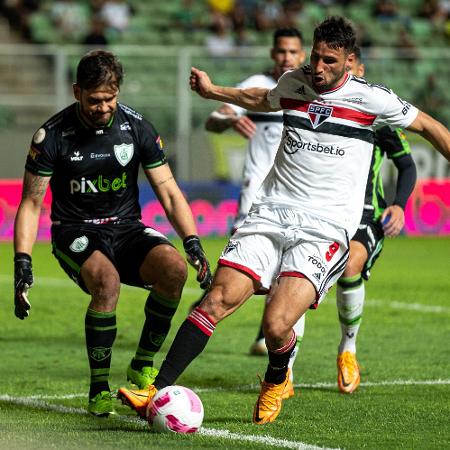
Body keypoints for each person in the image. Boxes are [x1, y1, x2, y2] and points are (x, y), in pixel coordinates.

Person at [118, 16, 450, 425]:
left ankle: (277, 379)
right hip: (270, 213)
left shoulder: (372, 100)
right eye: (315, 56)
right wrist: (212, 91)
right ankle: (152, 391)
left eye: (330, 60)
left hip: (324, 229)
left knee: (277, 326)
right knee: (216, 299)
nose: (319, 67)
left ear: (349, 61)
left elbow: (431, 126)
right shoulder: (296, 82)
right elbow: (261, 98)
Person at [13, 49, 212, 417]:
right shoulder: (52, 135)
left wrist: (192, 241)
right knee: (107, 282)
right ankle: (98, 388)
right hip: (75, 232)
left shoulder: (137, 127)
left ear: (118, 91)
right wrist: (22, 261)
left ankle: (142, 364)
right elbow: (30, 203)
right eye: (94, 100)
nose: (103, 107)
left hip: (126, 228)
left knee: (173, 269)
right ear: (76, 92)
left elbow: (169, 191)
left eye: (110, 98)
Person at [288, 47, 418, 395]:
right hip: (320, 210)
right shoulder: (317, 106)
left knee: (349, 266)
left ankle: (348, 349)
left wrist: (400, 205)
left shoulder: (377, 114)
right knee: (295, 276)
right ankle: (285, 368)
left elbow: (406, 164)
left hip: (365, 215)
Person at [191, 27, 306, 399]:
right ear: (273, 54)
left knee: (292, 277)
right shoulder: (256, 86)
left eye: (293, 52)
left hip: (295, 202)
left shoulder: (308, 93)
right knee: (246, 279)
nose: (286, 58)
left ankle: (284, 367)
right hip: (254, 202)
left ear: (302, 56)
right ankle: (226, 319)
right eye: (281, 51)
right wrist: (228, 120)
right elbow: (213, 120)